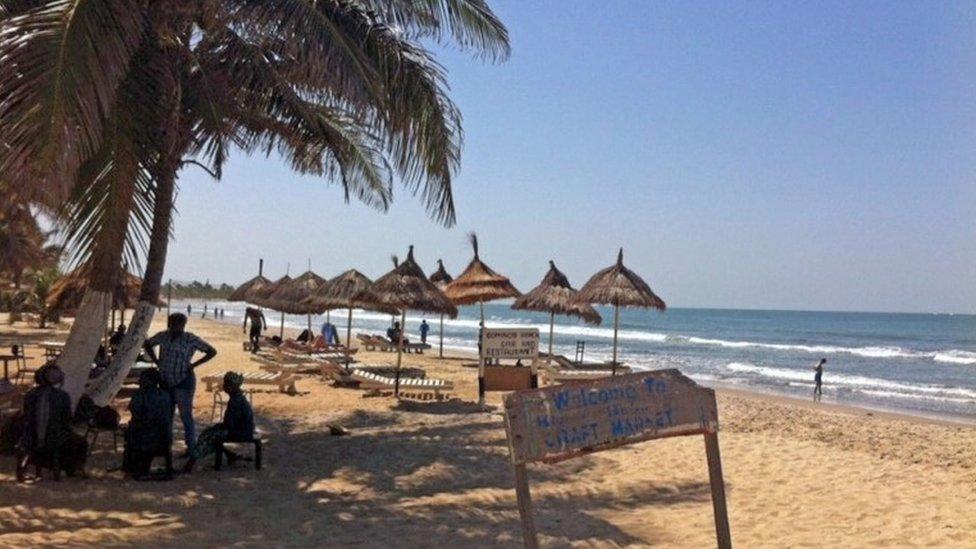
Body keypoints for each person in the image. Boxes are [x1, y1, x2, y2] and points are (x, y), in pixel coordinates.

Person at [143, 313, 217, 453]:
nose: (173, 326)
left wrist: (194, 365)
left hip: (183, 382)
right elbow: (147, 344)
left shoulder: (190, 339)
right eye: (171, 323)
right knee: (167, 416)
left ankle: (191, 448)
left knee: (185, 416)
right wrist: (156, 360)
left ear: (183, 325)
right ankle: (166, 447)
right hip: (165, 382)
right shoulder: (163, 336)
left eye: (176, 323)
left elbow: (211, 351)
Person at [16, 364, 88, 481]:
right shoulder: (63, 396)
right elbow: (66, 420)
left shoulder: (30, 395)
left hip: (30, 437)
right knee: (81, 442)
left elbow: (26, 417)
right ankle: (74, 469)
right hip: (54, 437)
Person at [183, 372, 255, 473]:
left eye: (226, 385)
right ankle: (230, 455)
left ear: (232, 386)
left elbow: (230, 424)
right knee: (210, 432)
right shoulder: (236, 398)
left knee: (209, 436)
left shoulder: (236, 401)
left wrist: (219, 427)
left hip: (241, 432)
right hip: (241, 429)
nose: (224, 387)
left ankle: (191, 462)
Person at [123, 368, 173, 479]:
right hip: (164, 438)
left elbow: (136, 413)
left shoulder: (140, 395)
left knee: (130, 432)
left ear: (149, 381)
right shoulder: (165, 395)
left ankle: (132, 468)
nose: (139, 381)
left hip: (146, 438)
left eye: (142, 379)